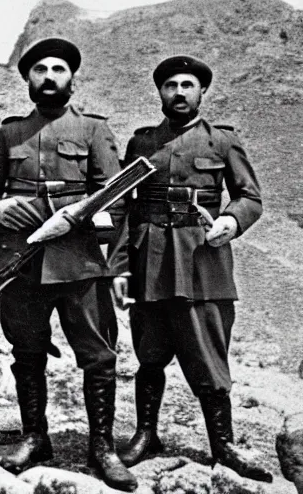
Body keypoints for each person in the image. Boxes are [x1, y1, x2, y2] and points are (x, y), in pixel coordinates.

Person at [0, 37, 137, 492]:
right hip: (20, 263)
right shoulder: (9, 133)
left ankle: (101, 446)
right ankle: (35, 437)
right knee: (27, 350)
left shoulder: (94, 132)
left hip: (79, 263)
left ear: (72, 80)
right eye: (39, 70)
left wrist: (78, 219)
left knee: (98, 355)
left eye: (58, 69)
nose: (48, 77)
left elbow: (117, 198)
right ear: (27, 80)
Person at [113, 55, 273, 483]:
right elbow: (126, 208)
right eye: (170, 85)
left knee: (207, 354)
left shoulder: (222, 142)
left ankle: (223, 446)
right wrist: (120, 268)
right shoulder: (142, 143)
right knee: (149, 353)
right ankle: (146, 434)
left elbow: (250, 197)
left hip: (202, 259)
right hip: (149, 260)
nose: (179, 92)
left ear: (202, 92)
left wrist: (232, 220)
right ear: (160, 92)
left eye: (188, 85)